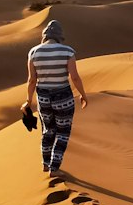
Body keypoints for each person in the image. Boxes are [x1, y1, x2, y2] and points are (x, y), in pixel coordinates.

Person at [22, 19, 88, 174]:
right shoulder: (67, 51)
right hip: (63, 96)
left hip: (43, 97)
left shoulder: (33, 52)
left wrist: (27, 101)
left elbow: (32, 80)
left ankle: (45, 163)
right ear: (60, 36)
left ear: (44, 36)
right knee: (63, 132)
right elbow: (75, 77)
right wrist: (83, 95)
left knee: (48, 130)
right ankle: (54, 167)